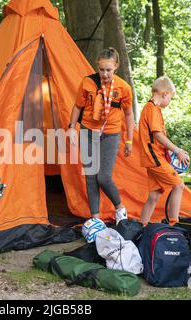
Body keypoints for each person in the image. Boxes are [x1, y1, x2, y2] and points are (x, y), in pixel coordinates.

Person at [68, 47, 134, 222]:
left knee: (103, 176)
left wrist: (129, 140)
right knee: (90, 177)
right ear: (97, 66)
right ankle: (95, 218)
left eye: (109, 70)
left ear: (116, 67)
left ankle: (120, 208)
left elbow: (128, 114)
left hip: (110, 134)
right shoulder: (88, 82)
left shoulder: (123, 88)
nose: (105, 74)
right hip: (88, 131)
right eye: (102, 69)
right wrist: (71, 127)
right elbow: (78, 106)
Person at [138, 76, 189, 226]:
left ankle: (142, 226)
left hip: (154, 158)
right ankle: (174, 223)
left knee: (153, 196)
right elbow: (157, 135)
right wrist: (177, 150)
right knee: (179, 185)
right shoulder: (152, 109)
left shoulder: (152, 109)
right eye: (171, 98)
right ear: (165, 94)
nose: (169, 102)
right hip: (154, 158)